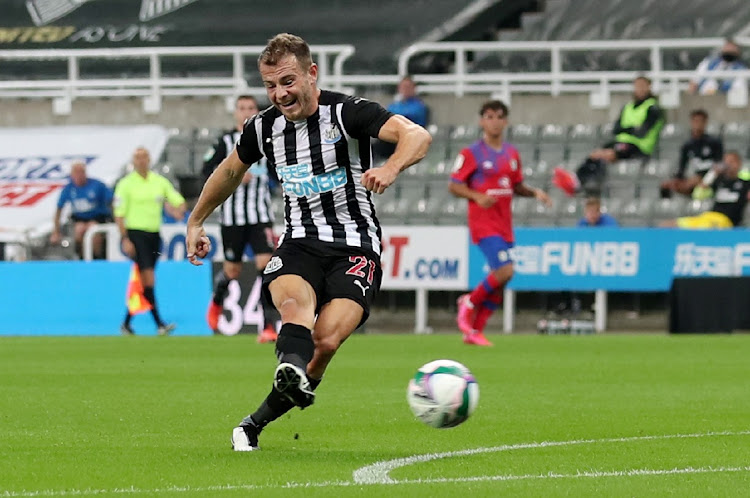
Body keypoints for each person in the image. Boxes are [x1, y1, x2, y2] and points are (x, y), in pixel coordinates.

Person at [185, 33, 431, 451]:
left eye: (287, 81)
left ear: (311, 73)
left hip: (356, 247)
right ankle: (290, 368)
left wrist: (390, 168)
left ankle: (254, 422)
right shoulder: (264, 127)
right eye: (270, 85)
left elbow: (417, 137)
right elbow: (229, 172)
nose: (279, 94)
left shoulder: (348, 113)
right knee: (295, 307)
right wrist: (196, 221)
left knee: (327, 340)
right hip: (299, 242)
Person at [450, 100, 551, 346]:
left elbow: (515, 186)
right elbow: (454, 185)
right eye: (489, 116)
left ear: (505, 121)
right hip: (484, 223)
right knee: (506, 271)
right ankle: (469, 303)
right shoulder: (471, 153)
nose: (494, 121)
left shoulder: (511, 154)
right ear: (482, 121)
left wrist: (535, 193)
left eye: (498, 117)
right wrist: (476, 196)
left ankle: (475, 331)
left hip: (504, 224)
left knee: (503, 278)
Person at [202, 95, 278, 342]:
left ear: (257, 111)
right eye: (242, 108)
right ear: (235, 112)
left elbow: (279, 170)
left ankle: (267, 326)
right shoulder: (224, 142)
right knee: (232, 270)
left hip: (260, 215)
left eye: (251, 108)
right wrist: (232, 174)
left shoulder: (268, 140)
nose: (246, 112)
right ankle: (216, 302)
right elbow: (206, 170)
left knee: (266, 267)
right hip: (232, 217)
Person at [115, 147, 187, 336]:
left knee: (144, 281)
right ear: (133, 161)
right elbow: (119, 214)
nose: (141, 161)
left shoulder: (159, 182)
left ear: (149, 159)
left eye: (144, 157)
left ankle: (126, 323)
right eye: (137, 157)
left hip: (154, 235)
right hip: (136, 234)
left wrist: (177, 208)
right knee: (148, 279)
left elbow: (175, 200)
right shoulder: (126, 184)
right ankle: (159, 324)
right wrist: (125, 238)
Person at [554, 76, 664, 195]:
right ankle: (576, 179)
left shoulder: (652, 108)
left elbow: (641, 132)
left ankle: (589, 185)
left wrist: (626, 129)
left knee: (606, 155)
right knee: (595, 154)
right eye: (637, 86)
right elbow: (616, 129)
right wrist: (631, 128)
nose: (639, 89)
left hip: (639, 146)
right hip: (621, 142)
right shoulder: (628, 107)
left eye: (642, 86)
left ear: (649, 87)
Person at [660, 151, 750, 229]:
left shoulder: (745, 183)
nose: (728, 164)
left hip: (727, 222)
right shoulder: (719, 182)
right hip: (709, 217)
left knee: (704, 228)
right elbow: (698, 194)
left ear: (739, 163)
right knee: (668, 225)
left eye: (732, 161)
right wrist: (713, 174)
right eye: (726, 161)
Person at [50, 161, 112, 259]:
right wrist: (56, 231)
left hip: (97, 218)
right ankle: (82, 257)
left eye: (81, 172)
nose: (78, 176)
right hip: (79, 219)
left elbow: (111, 201)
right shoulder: (69, 189)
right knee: (79, 230)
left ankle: (97, 257)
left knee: (93, 231)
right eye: (76, 173)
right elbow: (58, 210)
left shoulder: (97, 185)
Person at [660, 109, 723, 198]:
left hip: (710, 181)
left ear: (705, 123)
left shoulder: (714, 142)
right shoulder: (687, 145)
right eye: (695, 121)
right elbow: (682, 168)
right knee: (666, 186)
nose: (698, 124)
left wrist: (706, 180)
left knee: (696, 184)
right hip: (692, 180)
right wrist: (677, 180)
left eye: (701, 121)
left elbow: (719, 166)